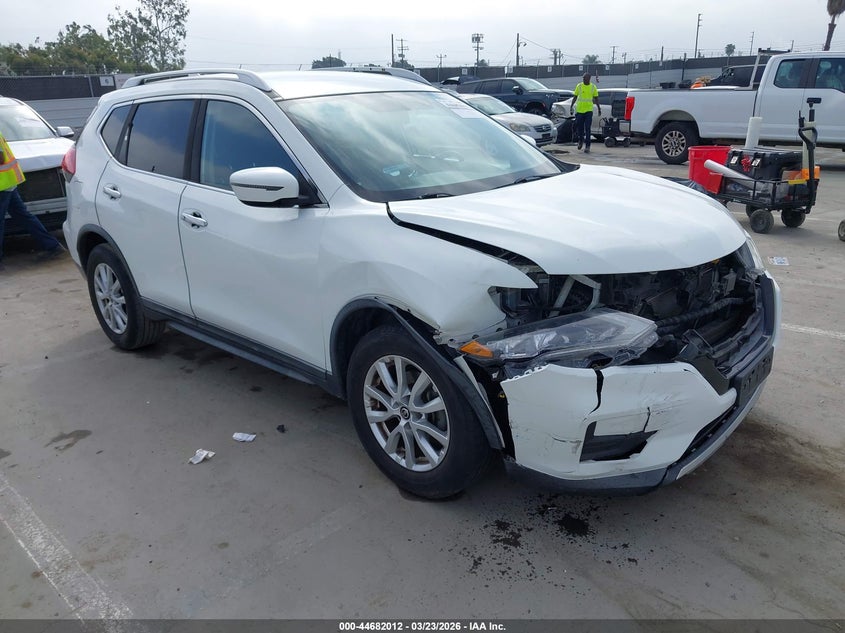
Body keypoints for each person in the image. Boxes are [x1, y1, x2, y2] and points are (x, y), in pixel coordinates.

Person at [0, 129, 65, 268]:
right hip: (7, 183)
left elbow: (0, 157)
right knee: (23, 216)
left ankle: (52, 246)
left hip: (2, 186)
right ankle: (52, 246)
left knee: (21, 216)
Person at [570, 73, 600, 153]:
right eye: (583, 78)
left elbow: (596, 98)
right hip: (579, 111)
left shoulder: (593, 87)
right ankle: (580, 141)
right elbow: (575, 97)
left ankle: (588, 146)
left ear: (589, 78)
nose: (583, 79)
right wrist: (571, 106)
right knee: (580, 128)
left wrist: (599, 108)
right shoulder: (579, 86)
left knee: (587, 129)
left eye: (585, 78)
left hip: (588, 111)